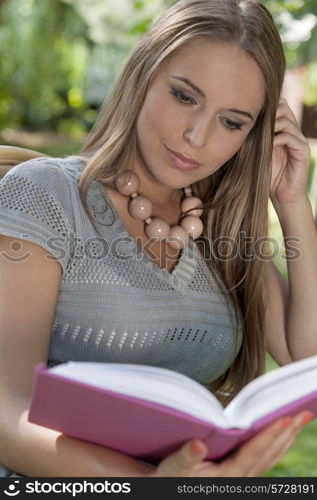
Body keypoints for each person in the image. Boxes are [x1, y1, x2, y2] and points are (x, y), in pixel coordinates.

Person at [0, 0, 316, 477]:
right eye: (185, 97)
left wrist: (293, 202)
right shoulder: (45, 196)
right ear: (143, 74)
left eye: (232, 122)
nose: (196, 135)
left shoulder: (222, 230)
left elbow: (304, 362)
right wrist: (153, 484)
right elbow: (6, 410)